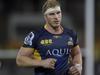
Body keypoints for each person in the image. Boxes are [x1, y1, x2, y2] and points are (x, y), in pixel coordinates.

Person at [16, 0, 82, 75]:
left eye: (58, 13)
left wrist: (78, 66)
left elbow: (77, 53)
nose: (56, 17)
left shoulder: (71, 34)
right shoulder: (36, 35)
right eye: (52, 14)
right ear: (45, 16)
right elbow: (20, 59)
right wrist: (42, 63)